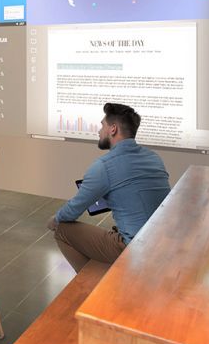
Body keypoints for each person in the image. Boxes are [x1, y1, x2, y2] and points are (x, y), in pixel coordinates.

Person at [47, 103, 171, 272]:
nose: (99, 131)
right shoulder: (153, 158)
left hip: (136, 250)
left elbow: (73, 210)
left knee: (62, 229)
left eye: (102, 125)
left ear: (113, 129)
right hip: (164, 244)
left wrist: (54, 220)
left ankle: (92, 284)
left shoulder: (103, 166)